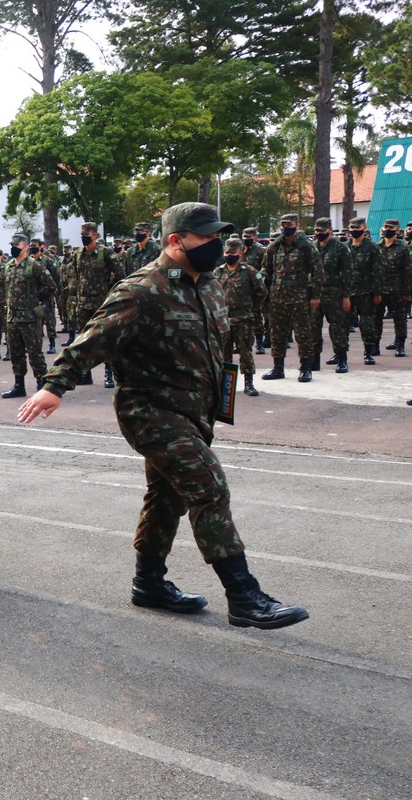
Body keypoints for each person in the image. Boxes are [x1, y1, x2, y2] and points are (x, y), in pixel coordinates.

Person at [17, 202, 308, 630]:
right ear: (176, 241)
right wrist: (54, 385)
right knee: (208, 487)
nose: (216, 244)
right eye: (206, 237)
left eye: (216, 236)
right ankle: (245, 596)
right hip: (150, 411)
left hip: (196, 411)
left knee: (166, 496)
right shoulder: (141, 289)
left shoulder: (208, 285)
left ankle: (149, 583)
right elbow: (90, 340)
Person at [262, 214, 324, 381]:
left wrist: (316, 296)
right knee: (277, 333)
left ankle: (305, 368)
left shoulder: (306, 246)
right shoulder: (274, 246)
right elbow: (266, 270)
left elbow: (318, 272)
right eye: (282, 224)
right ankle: (278, 368)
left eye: (288, 224)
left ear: (296, 224)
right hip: (277, 296)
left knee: (303, 333)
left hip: (299, 295)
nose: (284, 227)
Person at [69, 221, 125, 387]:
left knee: (106, 339)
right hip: (83, 303)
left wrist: (111, 294)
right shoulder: (78, 254)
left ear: (94, 235)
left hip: (101, 303)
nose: (83, 239)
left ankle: (109, 375)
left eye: (86, 236)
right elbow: (75, 277)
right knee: (84, 339)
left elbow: (121, 275)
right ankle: (86, 373)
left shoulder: (106, 253)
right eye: (82, 236)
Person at [0, 233, 56, 399]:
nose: (12, 249)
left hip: (29, 318)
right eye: (12, 245)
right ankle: (19, 385)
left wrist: (39, 301)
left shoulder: (34, 266)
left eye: (16, 246)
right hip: (12, 318)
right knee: (16, 354)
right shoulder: (9, 265)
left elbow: (51, 286)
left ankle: (42, 385)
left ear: (25, 247)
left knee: (35, 354)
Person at [216, 236, 266, 394]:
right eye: (226, 252)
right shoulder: (218, 271)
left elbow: (261, 292)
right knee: (224, 355)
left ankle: (248, 384)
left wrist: (250, 306)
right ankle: (226, 386)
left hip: (243, 319)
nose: (229, 254)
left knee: (245, 352)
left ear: (240, 252)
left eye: (232, 252)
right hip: (223, 320)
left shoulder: (249, 271)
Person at [311, 218, 354, 373]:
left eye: (322, 231)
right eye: (316, 231)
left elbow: (348, 274)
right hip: (316, 294)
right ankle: (314, 361)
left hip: (335, 294)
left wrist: (346, 296)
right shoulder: (312, 248)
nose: (319, 233)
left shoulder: (340, 248)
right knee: (313, 328)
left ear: (330, 230)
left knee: (337, 328)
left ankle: (342, 359)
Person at [347, 218, 383, 365]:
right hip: (348, 292)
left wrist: (377, 293)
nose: (355, 230)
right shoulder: (344, 247)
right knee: (342, 324)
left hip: (366, 292)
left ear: (364, 228)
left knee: (367, 324)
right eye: (352, 227)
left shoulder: (372, 247)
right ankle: (340, 354)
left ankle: (368, 352)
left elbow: (378, 272)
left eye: (358, 227)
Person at [375, 218, 410, 357]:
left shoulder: (403, 247)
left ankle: (400, 344)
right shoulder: (377, 247)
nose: (387, 230)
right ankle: (375, 345)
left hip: (397, 289)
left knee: (399, 318)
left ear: (397, 230)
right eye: (385, 227)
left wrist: (407, 291)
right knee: (376, 319)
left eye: (390, 227)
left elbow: (408, 271)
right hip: (380, 290)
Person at [240, 228, 269, 353]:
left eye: (249, 237)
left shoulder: (261, 251)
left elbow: (265, 268)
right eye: (245, 237)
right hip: (241, 287)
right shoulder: (240, 250)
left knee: (256, 316)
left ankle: (259, 343)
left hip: (255, 287)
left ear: (256, 238)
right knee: (242, 317)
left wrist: (258, 278)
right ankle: (243, 343)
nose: (247, 239)